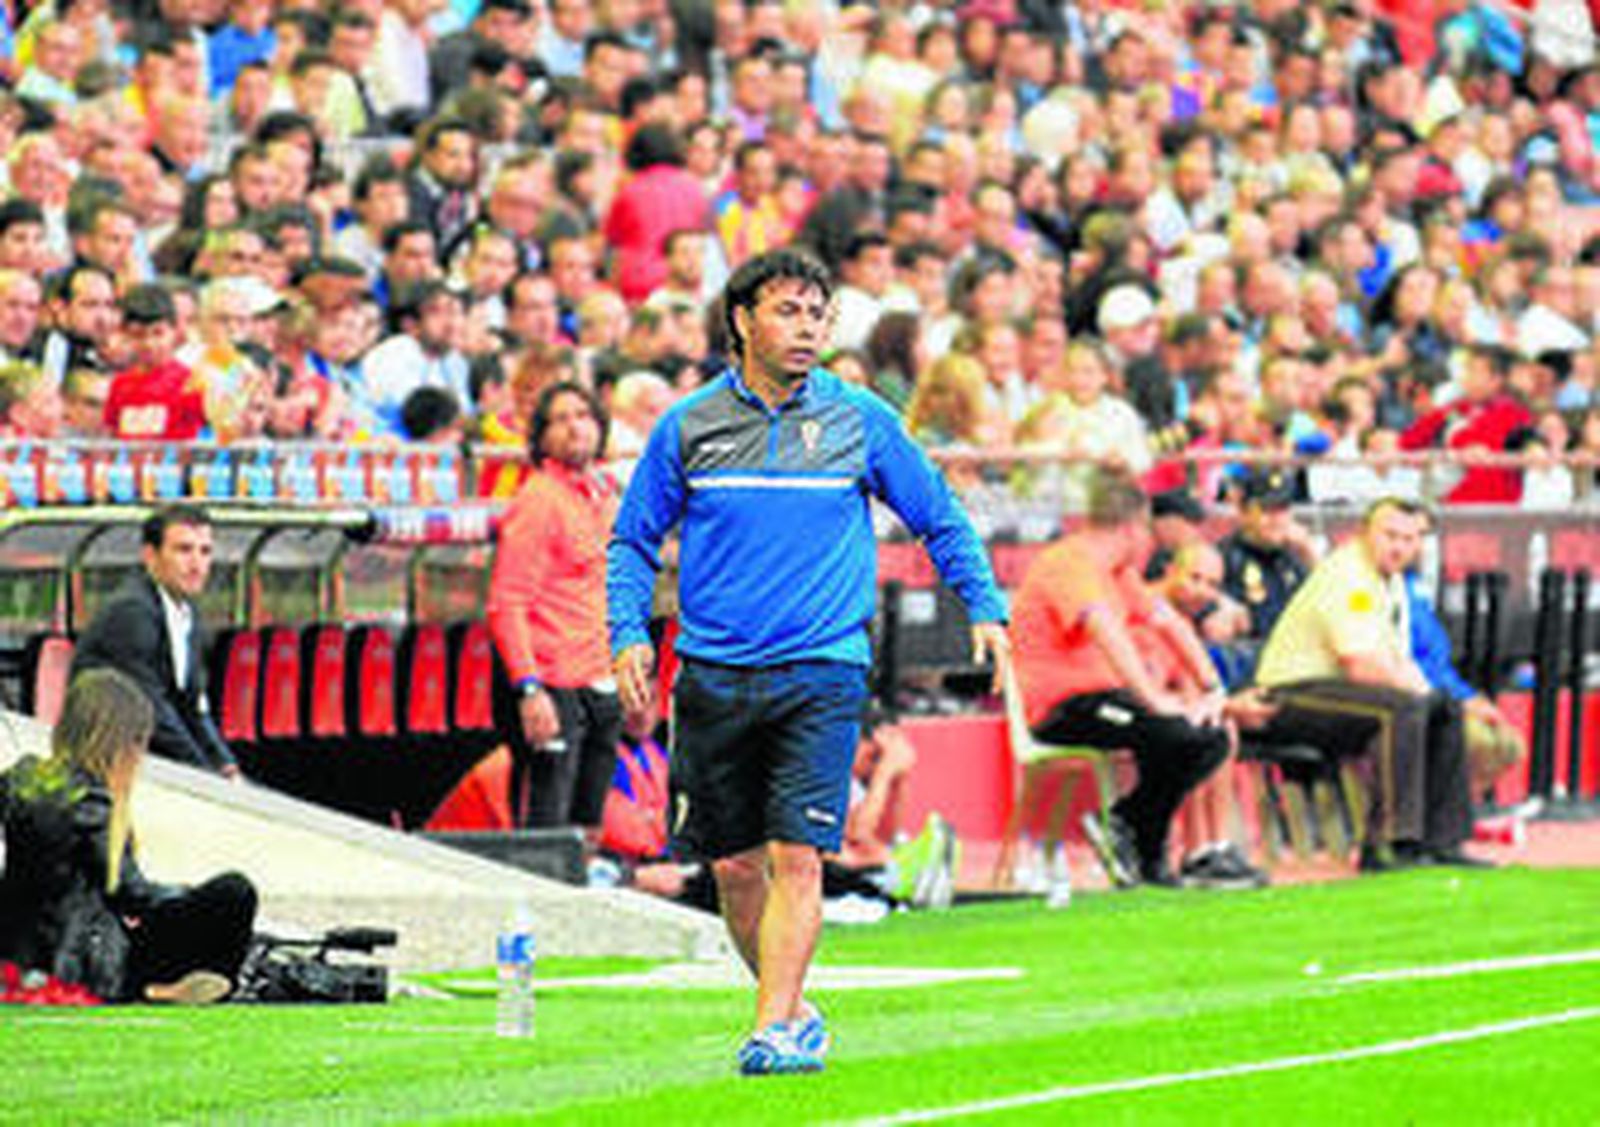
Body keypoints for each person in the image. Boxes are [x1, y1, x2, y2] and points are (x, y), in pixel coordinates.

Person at [608, 248, 1009, 1075]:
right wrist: (626, 630)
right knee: (732, 865)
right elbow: (634, 537)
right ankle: (790, 1008)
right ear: (742, 320)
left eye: (817, 313)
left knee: (797, 854)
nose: (806, 327)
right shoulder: (688, 425)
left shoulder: (860, 418)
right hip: (713, 671)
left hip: (822, 669)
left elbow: (939, 514)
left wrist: (986, 604)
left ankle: (772, 1031)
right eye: (788, 310)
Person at [1011, 471, 1232, 890]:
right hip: (1063, 707)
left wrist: (1211, 687)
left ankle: (1132, 832)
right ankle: (1132, 831)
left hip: (1111, 700)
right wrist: (1155, 698)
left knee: (1209, 736)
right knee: (1174, 732)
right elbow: (1106, 632)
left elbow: (1170, 624)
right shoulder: (1069, 564)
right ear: (1133, 527)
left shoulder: (1120, 575)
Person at [1253, 497, 1485, 872]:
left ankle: (1442, 840)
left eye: (1409, 539)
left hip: (1339, 694)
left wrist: (1428, 693)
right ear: (1364, 533)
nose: (1399, 546)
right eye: (1390, 535)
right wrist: (1418, 693)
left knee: (1443, 706)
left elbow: (1395, 659)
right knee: (1403, 708)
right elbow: (1360, 665)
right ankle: (1388, 844)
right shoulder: (1348, 575)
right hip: (1290, 694)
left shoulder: (1390, 581)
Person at [0, 668, 258, 1003]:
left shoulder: (21, 778)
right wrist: (184, 894)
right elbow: (131, 893)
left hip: (15, 947)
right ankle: (157, 989)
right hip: (86, 963)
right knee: (234, 893)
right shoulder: (92, 800)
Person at [487, 382, 626, 834]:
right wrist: (529, 688)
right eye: (560, 419)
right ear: (541, 437)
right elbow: (507, 602)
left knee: (589, 824)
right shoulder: (539, 500)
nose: (575, 427)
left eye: (583, 415)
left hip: (600, 677)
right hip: (551, 682)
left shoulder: (603, 495)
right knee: (545, 826)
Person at [70, 505, 239, 778]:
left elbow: (193, 704)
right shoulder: (131, 612)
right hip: (104, 766)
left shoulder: (188, 612)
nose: (197, 565)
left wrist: (224, 763)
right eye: (184, 550)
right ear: (150, 556)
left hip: (150, 757)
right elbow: (153, 711)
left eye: (205, 552)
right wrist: (205, 775)